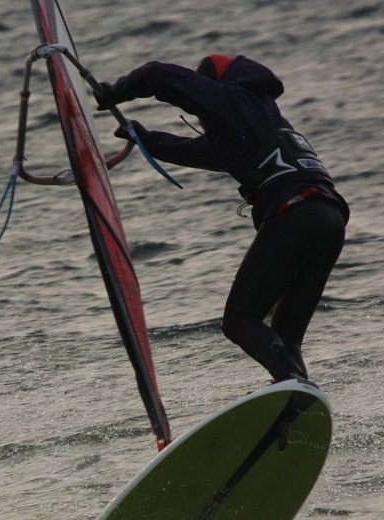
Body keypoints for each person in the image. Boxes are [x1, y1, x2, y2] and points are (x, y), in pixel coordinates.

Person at [95, 54, 349, 383]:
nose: (199, 116)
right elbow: (194, 151)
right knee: (285, 338)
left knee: (240, 320)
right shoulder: (259, 119)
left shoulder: (232, 98)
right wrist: (144, 137)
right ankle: (295, 403)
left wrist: (114, 93)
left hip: (295, 214)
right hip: (330, 219)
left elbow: (158, 73)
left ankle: (290, 384)